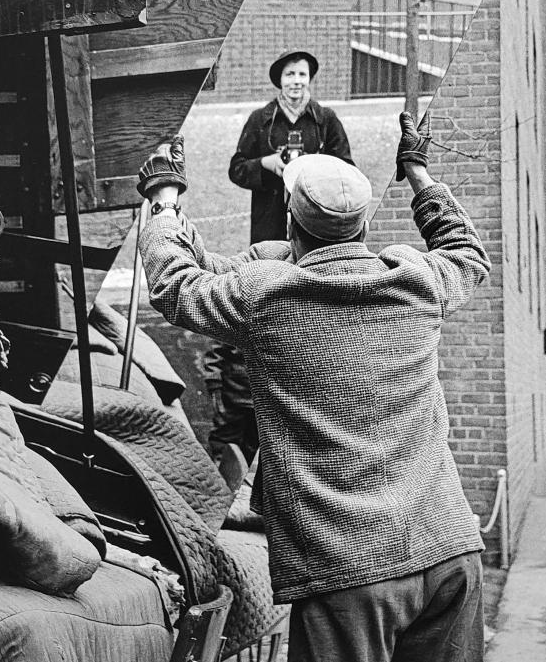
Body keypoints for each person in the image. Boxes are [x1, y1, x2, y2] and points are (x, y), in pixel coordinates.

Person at [137, 112, 491, 662]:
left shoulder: (266, 298)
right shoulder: (414, 281)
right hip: (449, 552)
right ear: (365, 228)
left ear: (289, 222)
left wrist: (164, 200)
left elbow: (175, 283)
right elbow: (465, 251)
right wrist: (418, 171)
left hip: (348, 573)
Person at [203, 50, 353, 479]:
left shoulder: (325, 122)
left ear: (310, 80)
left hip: (314, 231)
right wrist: (268, 165)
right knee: (269, 291)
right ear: (279, 81)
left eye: (302, 75)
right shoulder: (260, 120)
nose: (296, 82)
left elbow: (346, 169)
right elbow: (236, 169)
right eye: (289, 75)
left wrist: (312, 169)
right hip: (269, 226)